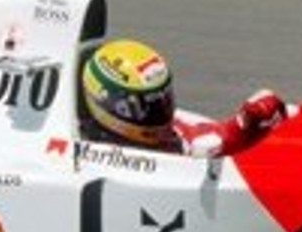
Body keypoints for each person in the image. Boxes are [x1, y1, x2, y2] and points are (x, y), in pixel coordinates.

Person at [81, 39, 286, 156]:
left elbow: (212, 135)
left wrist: (246, 124)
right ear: (108, 101)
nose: (158, 111)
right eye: (143, 106)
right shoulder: (84, 151)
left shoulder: (173, 136)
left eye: (161, 99)